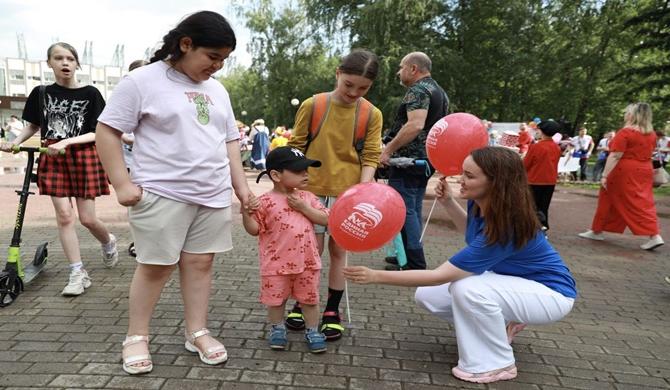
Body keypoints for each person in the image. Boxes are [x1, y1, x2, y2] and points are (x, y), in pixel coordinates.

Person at [95, 11, 253, 374]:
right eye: (212, 57)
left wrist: (241, 189)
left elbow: (229, 140)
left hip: (211, 194)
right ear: (185, 44)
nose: (218, 66)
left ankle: (196, 331)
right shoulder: (141, 81)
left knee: (201, 263)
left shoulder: (217, 90)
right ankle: (136, 337)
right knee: (156, 266)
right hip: (162, 192)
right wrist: (121, 183)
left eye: (224, 60)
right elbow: (108, 131)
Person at [343, 147, 577, 384]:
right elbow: (471, 234)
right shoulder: (480, 204)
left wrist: (375, 276)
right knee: (429, 296)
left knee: (467, 289)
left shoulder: (508, 226)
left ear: (496, 182)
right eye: (463, 173)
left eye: (470, 176)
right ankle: (501, 326)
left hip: (551, 295)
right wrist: (447, 202)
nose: (460, 180)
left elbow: (438, 275)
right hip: (517, 284)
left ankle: (497, 364)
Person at [0, 42, 118, 296]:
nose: (65, 63)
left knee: (87, 218)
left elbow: (99, 132)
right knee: (64, 216)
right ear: (49, 63)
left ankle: (108, 241)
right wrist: (14, 143)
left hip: (83, 155)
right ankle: (77, 272)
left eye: (69, 58)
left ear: (77, 64)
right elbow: (33, 126)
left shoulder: (91, 93)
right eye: (58, 58)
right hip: (52, 156)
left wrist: (67, 141)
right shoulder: (41, 92)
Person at [287, 49, 383, 341]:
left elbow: (370, 156)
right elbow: (296, 145)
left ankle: (331, 309)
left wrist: (363, 191)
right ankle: (303, 302)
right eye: (348, 85)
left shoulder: (371, 114)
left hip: (348, 195)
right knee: (310, 251)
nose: (354, 92)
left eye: (363, 88)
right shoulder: (313, 105)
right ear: (338, 74)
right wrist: (290, 183)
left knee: (339, 252)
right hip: (310, 190)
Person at [242, 146, 330, 353]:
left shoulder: (307, 198)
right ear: (276, 175)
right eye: (298, 171)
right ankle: (277, 328)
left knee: (309, 299)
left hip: (307, 262)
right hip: (275, 263)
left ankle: (312, 330)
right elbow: (254, 229)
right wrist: (246, 213)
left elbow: (327, 218)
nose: (305, 174)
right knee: (276, 300)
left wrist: (304, 208)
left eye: (306, 170)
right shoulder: (264, 202)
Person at [380, 51, 449, 271]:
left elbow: (415, 125)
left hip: (408, 160)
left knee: (404, 208)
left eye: (401, 67)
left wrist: (387, 151)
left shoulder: (418, 90)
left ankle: (413, 261)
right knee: (414, 207)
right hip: (427, 159)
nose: (399, 72)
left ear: (413, 69)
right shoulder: (440, 92)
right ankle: (405, 252)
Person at [578, 103, 664, 250]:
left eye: (627, 112)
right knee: (633, 199)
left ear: (632, 115)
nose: (625, 115)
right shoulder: (651, 134)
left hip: (624, 170)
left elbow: (615, 155)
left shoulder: (625, 133)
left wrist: (605, 175)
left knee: (631, 202)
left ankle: (654, 235)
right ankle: (597, 229)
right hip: (644, 169)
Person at [122, 59, 149, 258]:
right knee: (136, 203)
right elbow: (113, 130)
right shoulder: (126, 97)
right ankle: (139, 241)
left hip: (153, 163)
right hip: (132, 162)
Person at [523, 120, 562, 231]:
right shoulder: (557, 147)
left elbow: (526, 165)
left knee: (530, 206)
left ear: (542, 131)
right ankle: (542, 225)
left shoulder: (536, 147)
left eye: (538, 129)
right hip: (550, 181)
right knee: (543, 206)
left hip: (534, 180)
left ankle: (530, 228)